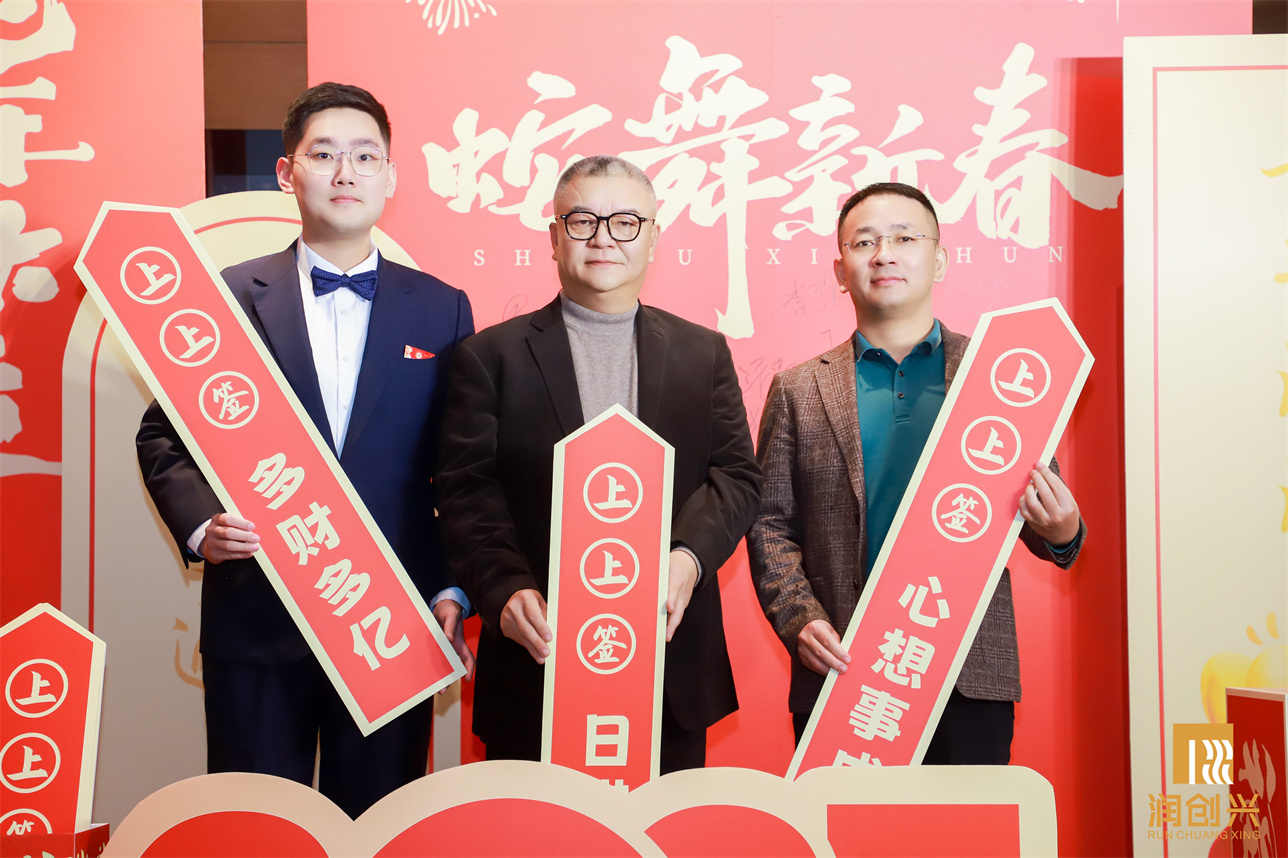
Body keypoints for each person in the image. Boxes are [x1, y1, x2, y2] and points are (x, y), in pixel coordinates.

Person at [136, 82, 475, 817]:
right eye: (324, 154)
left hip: (388, 626)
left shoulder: (442, 307)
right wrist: (201, 526)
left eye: (365, 156)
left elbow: (461, 469)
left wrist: (450, 589)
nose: (345, 172)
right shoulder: (229, 296)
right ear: (288, 173)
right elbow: (163, 434)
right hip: (257, 618)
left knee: (378, 829)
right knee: (256, 829)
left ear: (391, 176)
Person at [436, 155, 762, 771]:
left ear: (653, 238)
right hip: (539, 653)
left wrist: (688, 560)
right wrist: (505, 589)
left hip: (667, 655)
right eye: (583, 221)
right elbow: (466, 491)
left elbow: (736, 477)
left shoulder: (702, 353)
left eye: (625, 222)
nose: (604, 238)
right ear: (554, 236)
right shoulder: (490, 357)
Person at [747, 182, 1086, 764]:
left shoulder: (996, 373)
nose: (884, 254)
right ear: (840, 270)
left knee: (969, 822)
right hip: (845, 667)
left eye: (905, 238)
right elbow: (768, 524)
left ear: (940, 259)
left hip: (966, 669)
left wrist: (1063, 531)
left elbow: (1041, 520)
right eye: (865, 242)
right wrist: (799, 619)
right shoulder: (798, 389)